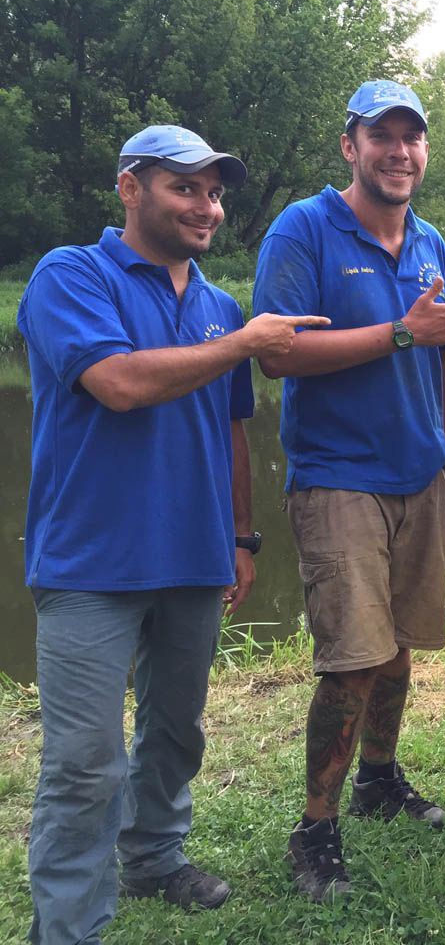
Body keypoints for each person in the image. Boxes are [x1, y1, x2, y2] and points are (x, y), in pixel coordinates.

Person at [19, 125, 325, 944]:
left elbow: (232, 434)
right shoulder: (69, 276)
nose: (208, 207)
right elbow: (116, 383)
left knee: (175, 729)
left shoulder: (220, 306)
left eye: (216, 192)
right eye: (185, 187)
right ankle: (70, 928)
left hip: (193, 556)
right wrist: (242, 343)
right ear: (130, 187)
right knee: (85, 763)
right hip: (89, 561)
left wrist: (242, 540)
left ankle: (154, 855)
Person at [251, 80, 445, 902]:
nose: (398, 152)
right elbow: (276, 353)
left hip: (419, 475)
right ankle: (315, 830)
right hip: (338, 477)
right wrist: (397, 332)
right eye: (380, 136)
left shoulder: (432, 243)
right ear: (349, 146)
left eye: (411, 137)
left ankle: (378, 779)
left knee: (394, 652)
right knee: (350, 661)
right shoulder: (303, 230)